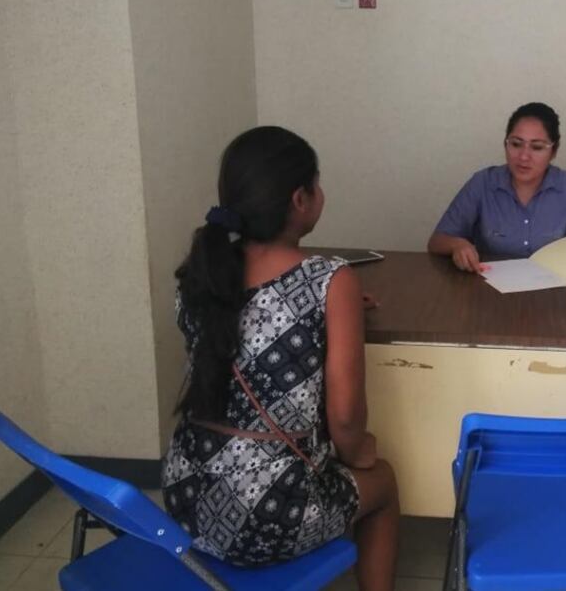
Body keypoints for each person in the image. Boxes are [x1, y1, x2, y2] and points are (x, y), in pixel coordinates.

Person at [161, 126, 398, 590]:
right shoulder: (329, 279)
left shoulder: (201, 274)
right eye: (317, 184)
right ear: (299, 199)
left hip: (184, 497)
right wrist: (361, 454)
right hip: (266, 516)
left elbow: (252, 324)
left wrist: (337, 308)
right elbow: (345, 419)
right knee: (383, 482)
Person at [427, 102, 566, 284]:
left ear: (554, 151)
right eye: (516, 144)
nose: (524, 157)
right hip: (489, 292)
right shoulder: (482, 183)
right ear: (505, 144)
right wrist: (457, 245)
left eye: (537, 147)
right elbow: (436, 241)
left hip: (556, 296)